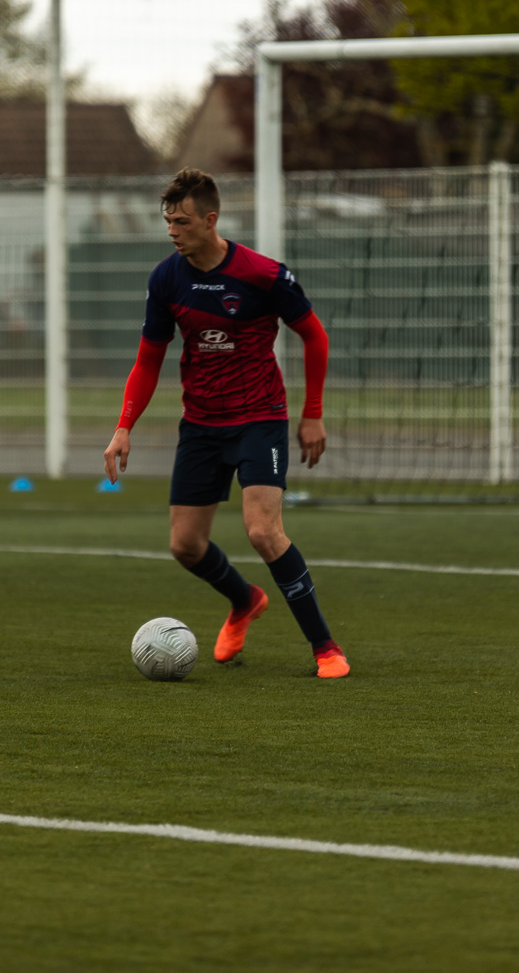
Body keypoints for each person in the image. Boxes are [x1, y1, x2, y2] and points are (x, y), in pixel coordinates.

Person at [103, 168, 348, 678]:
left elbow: (315, 336)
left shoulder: (263, 274)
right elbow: (148, 359)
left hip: (260, 418)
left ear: (210, 219)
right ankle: (244, 601)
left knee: (262, 531)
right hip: (201, 425)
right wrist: (124, 426)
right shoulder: (166, 278)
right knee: (184, 545)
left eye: (182, 220)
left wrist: (313, 413)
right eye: (167, 220)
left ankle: (325, 647)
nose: (172, 230)